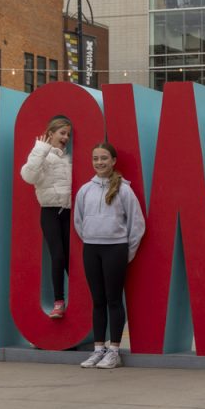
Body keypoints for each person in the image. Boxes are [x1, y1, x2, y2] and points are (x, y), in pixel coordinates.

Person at [73, 143, 145, 369]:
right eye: (95, 158)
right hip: (92, 249)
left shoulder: (124, 189)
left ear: (113, 161)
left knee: (114, 300)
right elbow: (78, 221)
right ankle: (98, 350)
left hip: (116, 249)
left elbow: (137, 224)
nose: (99, 162)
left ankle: (114, 351)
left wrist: (126, 253)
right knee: (98, 301)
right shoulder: (85, 190)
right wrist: (91, 239)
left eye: (104, 158)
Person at [20, 115, 73, 318]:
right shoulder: (41, 156)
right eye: (62, 133)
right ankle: (58, 302)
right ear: (50, 134)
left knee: (72, 260)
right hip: (50, 212)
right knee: (58, 256)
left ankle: (81, 299)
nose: (65, 137)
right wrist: (40, 150)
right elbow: (28, 176)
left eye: (68, 134)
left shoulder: (69, 159)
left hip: (68, 212)